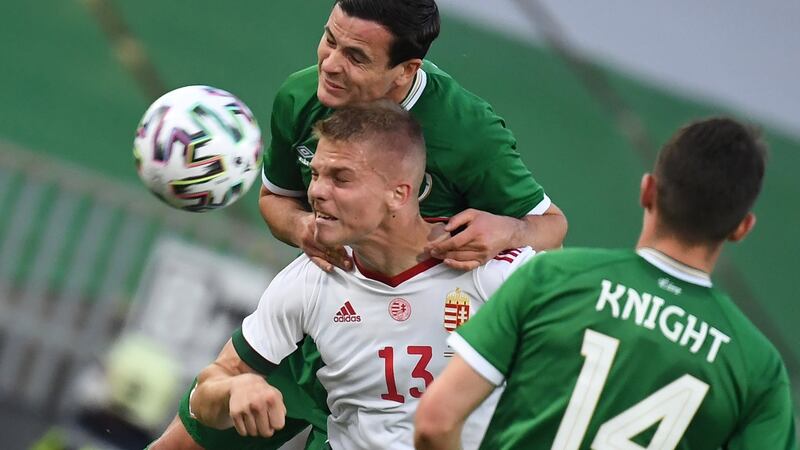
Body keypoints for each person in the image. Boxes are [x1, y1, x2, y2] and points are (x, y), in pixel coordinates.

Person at [151, 1, 566, 448]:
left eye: (355, 56)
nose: (330, 64)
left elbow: (550, 227)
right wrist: (304, 230)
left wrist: (510, 231)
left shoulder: (467, 132)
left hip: (424, 331)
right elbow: (276, 200)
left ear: (405, 71)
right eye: (330, 39)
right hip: (329, 319)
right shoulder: (300, 98)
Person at [414, 117, 797, 449]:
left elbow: (436, 422)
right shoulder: (758, 368)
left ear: (647, 190)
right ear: (742, 228)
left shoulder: (549, 279)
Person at [188, 102, 537, 449]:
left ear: (398, 194)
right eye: (315, 174)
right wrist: (233, 390)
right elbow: (205, 395)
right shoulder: (310, 278)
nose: (317, 193)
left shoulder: (495, 273)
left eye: (341, 178)